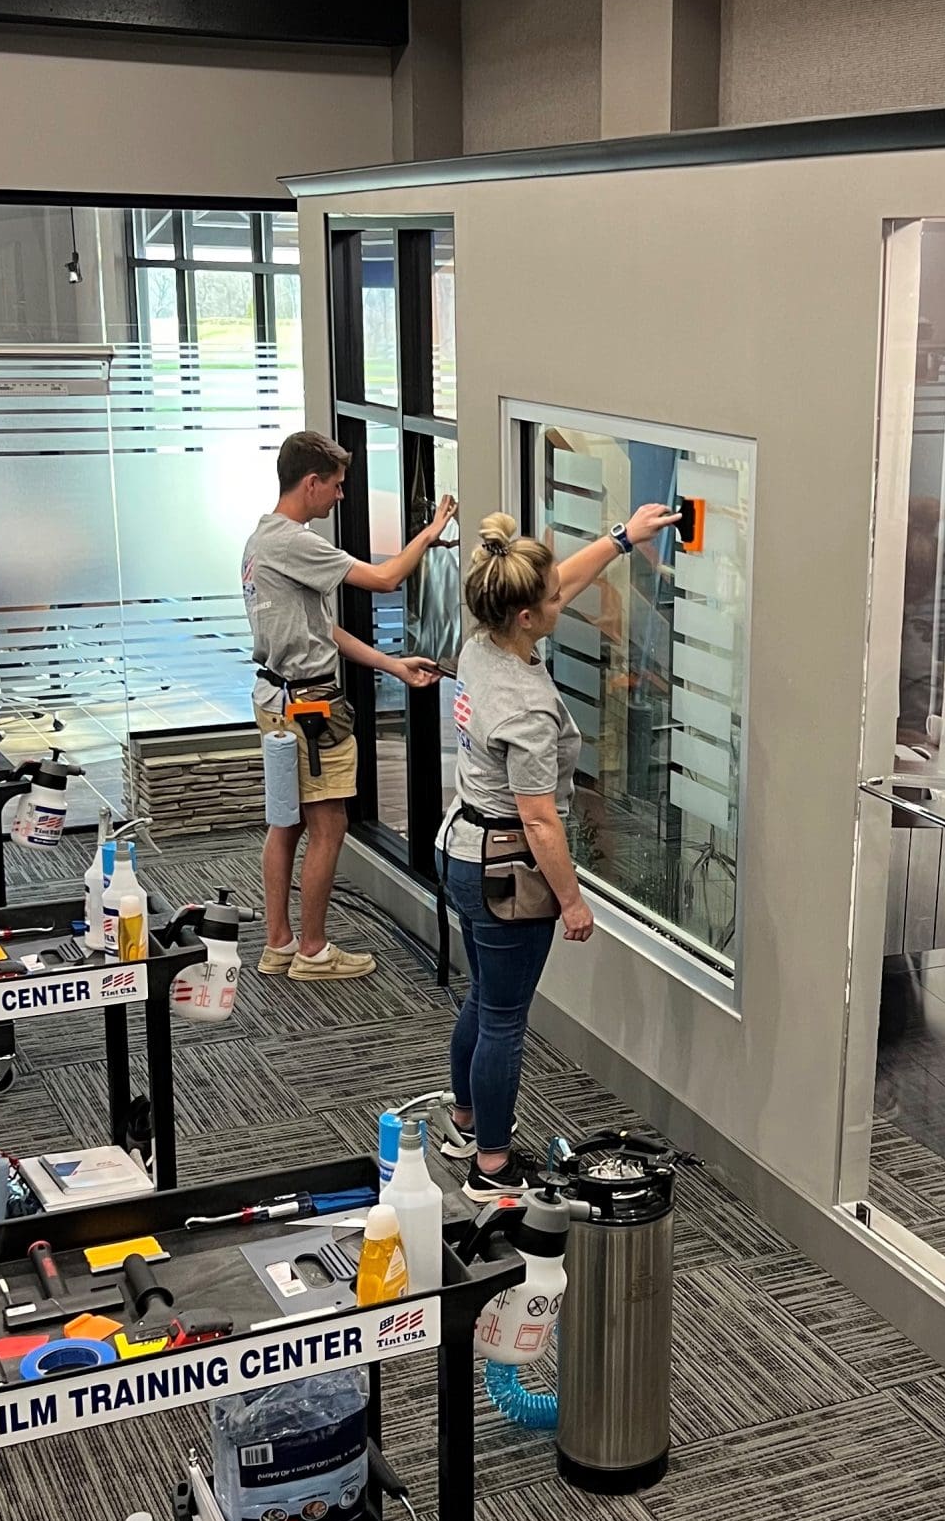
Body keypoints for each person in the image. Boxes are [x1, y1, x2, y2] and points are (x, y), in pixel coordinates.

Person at [438, 503, 675, 1201]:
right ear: (526, 617)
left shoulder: (482, 643)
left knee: (485, 998)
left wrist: (621, 539)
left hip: (461, 848)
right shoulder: (527, 708)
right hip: (506, 868)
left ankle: (464, 1123)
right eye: (550, 600)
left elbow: (559, 581)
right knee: (504, 1019)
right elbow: (541, 821)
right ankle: (491, 1167)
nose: (562, 600)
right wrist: (572, 901)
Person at [243, 430, 455, 982]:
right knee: (330, 824)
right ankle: (313, 951)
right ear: (311, 483)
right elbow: (385, 579)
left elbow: (322, 628)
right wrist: (429, 533)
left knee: (287, 822)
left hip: (276, 699)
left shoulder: (261, 540)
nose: (341, 496)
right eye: (336, 486)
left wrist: (391, 665)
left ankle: (279, 943)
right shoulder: (295, 543)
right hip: (309, 709)